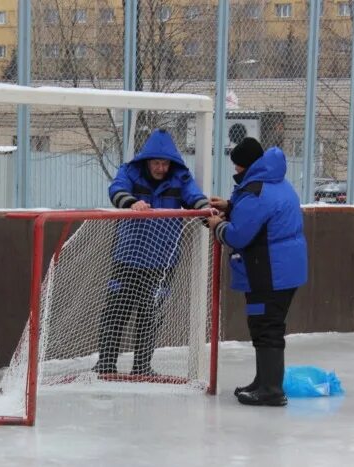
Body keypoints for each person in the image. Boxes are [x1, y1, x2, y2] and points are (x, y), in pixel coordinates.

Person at [93, 128, 209, 376]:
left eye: (165, 163)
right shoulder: (130, 171)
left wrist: (207, 211)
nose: (160, 168)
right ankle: (106, 363)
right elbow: (116, 190)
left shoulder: (180, 177)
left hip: (162, 260)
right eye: (156, 163)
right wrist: (131, 202)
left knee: (150, 315)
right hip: (129, 256)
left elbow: (194, 197)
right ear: (147, 161)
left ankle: (142, 366)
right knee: (117, 310)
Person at [207, 137, 307, 406]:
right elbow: (257, 215)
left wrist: (217, 224)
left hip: (268, 273)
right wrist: (231, 206)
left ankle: (271, 390)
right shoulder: (276, 183)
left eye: (238, 167)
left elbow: (238, 235)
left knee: (267, 328)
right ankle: (263, 382)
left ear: (247, 166)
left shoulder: (256, 192)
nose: (236, 172)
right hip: (282, 271)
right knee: (266, 326)